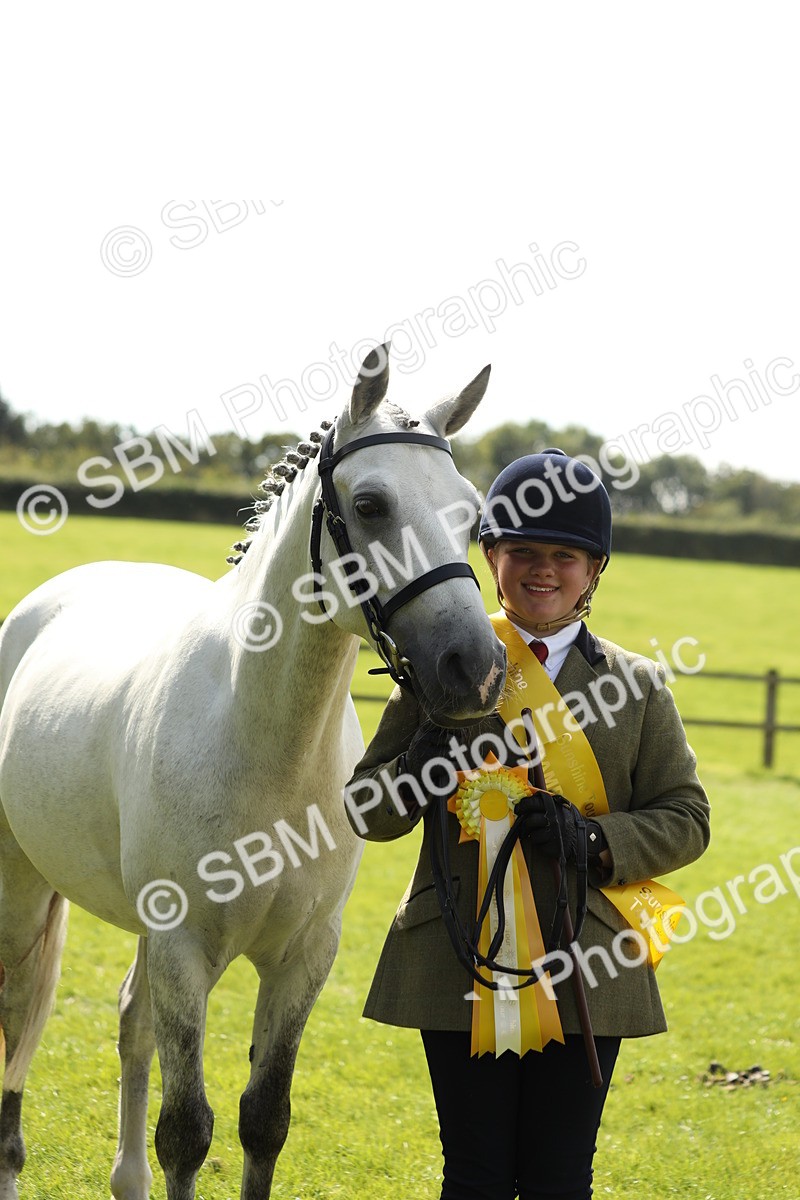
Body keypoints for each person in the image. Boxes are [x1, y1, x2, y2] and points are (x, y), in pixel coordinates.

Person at [344, 449, 710, 1200]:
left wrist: (598, 841)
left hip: (589, 965)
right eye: (521, 552)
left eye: (564, 556)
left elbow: (688, 818)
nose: (542, 570)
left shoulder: (637, 686)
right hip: (457, 960)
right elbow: (368, 811)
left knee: (559, 1176)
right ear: (489, 556)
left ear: (594, 568)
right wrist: (422, 755)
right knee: (473, 1175)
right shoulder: (439, 666)